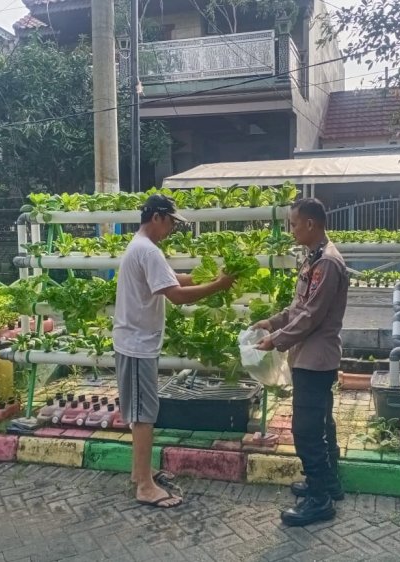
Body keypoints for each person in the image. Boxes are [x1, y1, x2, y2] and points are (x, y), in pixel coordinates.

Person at [113, 194, 235, 509]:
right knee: (143, 416)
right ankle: (144, 485)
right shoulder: (148, 251)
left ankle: (140, 472)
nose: (171, 229)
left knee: (140, 413)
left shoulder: (140, 246)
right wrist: (218, 286)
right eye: (170, 222)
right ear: (157, 217)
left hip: (133, 342)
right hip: (137, 345)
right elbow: (178, 296)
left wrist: (211, 278)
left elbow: (172, 280)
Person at [253, 197, 349, 526]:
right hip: (309, 357)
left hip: (315, 359)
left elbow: (310, 316)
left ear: (310, 223)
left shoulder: (327, 264)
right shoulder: (315, 258)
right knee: (321, 423)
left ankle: (319, 500)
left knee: (306, 430)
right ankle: (327, 483)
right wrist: (273, 321)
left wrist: (275, 341)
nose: (291, 230)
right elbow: (298, 309)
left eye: (294, 224)